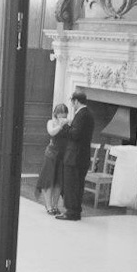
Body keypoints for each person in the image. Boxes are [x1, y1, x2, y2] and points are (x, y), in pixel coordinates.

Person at [55, 91, 94, 220]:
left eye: (72, 102)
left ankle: (71, 212)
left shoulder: (82, 115)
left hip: (75, 157)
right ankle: (75, 211)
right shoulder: (88, 114)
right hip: (81, 156)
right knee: (77, 186)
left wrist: (64, 125)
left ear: (76, 101)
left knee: (71, 185)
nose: (72, 105)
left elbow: (75, 135)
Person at [36, 101, 69, 216]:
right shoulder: (51, 122)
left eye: (64, 113)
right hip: (51, 154)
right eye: (60, 113)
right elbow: (52, 132)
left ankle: (55, 205)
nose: (63, 116)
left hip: (62, 155)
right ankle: (49, 206)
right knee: (48, 181)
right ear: (56, 113)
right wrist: (60, 125)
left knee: (59, 182)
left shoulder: (68, 124)